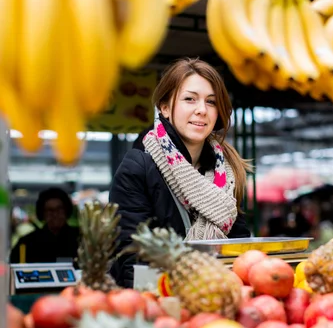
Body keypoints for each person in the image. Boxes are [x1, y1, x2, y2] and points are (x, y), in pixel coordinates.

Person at [109, 57, 251, 287]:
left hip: (217, 295)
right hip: (158, 299)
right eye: (189, 99)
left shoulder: (226, 172)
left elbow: (241, 247)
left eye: (211, 102)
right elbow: (131, 257)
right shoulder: (138, 167)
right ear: (165, 108)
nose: (202, 110)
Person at [10, 187, 80, 264]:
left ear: (67, 210)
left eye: (59, 209)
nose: (55, 214)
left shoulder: (81, 240)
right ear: (42, 213)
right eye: (50, 210)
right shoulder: (27, 243)